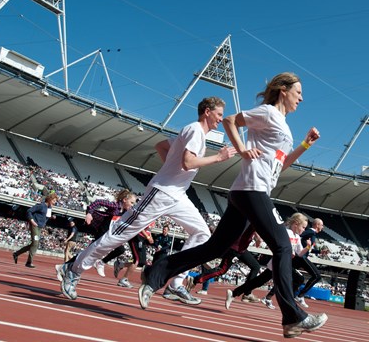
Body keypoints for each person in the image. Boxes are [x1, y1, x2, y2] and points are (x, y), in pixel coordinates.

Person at [138, 72, 328, 338]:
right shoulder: (268, 113)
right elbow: (230, 120)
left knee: (215, 246)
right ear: (283, 90)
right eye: (298, 92)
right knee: (283, 246)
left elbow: (280, 166)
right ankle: (293, 317)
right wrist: (242, 148)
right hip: (252, 190)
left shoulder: (282, 125)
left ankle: (155, 274)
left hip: (249, 191)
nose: (302, 97)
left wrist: (305, 145)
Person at [59, 96, 236, 303]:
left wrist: (170, 169)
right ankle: (73, 268)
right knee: (119, 235)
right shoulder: (196, 130)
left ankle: (175, 283)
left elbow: (161, 146)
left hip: (178, 194)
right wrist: (218, 158)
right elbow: (188, 162)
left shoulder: (192, 132)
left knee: (202, 233)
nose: (221, 120)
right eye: (219, 115)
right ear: (207, 111)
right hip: (161, 193)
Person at [226, 212, 310, 310]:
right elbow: (272, 244)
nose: (304, 230)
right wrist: (283, 252)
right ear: (296, 224)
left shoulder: (297, 237)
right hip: (278, 262)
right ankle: (289, 305)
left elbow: (299, 253)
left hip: (284, 263)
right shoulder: (285, 232)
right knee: (297, 279)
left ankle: (234, 293)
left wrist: (308, 246)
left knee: (258, 281)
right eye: (303, 227)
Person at [56, 189, 136, 280]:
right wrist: (89, 213)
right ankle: (63, 268)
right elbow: (98, 202)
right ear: (125, 200)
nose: (132, 205)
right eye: (132, 202)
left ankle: (100, 262)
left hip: (109, 235)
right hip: (101, 232)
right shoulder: (115, 206)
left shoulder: (125, 212)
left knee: (120, 249)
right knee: (88, 253)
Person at [186, 224, 262, 301]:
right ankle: (195, 279)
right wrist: (258, 237)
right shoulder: (253, 216)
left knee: (255, 267)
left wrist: (257, 237)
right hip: (235, 248)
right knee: (221, 270)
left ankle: (247, 293)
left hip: (242, 248)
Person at [13, 192, 58, 268]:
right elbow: (29, 211)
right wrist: (32, 221)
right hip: (35, 225)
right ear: (50, 199)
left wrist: (52, 217)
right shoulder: (41, 206)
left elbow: (47, 216)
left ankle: (16, 253)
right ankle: (29, 262)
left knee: (34, 244)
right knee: (36, 243)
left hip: (40, 227)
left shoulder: (49, 208)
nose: (55, 202)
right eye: (54, 201)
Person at [293, 218, 324, 308]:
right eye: (322, 225)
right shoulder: (311, 232)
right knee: (317, 276)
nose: (322, 227)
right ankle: (300, 295)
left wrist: (319, 252)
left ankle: (270, 296)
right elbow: (300, 235)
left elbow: (309, 248)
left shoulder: (312, 234)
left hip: (301, 256)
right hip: (301, 257)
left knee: (298, 278)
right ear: (317, 225)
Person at [116, 223, 154, 288]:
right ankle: (124, 279)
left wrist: (150, 237)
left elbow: (149, 230)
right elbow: (140, 227)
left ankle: (120, 264)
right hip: (137, 238)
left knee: (142, 262)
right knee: (137, 260)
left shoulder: (154, 218)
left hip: (143, 239)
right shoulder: (148, 214)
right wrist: (147, 237)